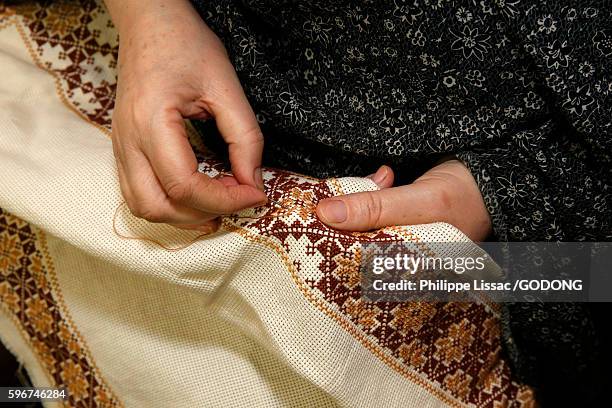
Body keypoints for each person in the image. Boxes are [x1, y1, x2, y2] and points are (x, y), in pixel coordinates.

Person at [103, 0, 611, 405]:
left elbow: (595, 273)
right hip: (202, 94)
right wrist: (150, 18)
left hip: (540, 228)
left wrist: (510, 195)